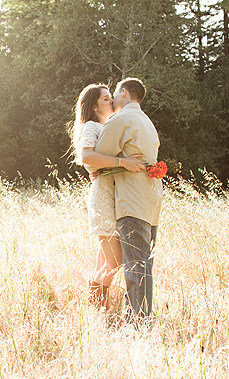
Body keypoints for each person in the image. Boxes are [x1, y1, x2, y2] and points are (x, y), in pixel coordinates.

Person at [69, 83, 145, 309]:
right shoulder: (91, 127)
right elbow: (86, 157)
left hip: (111, 194)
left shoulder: (106, 126)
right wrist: (123, 162)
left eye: (111, 97)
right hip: (103, 196)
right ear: (93, 106)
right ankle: (96, 307)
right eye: (105, 99)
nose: (111, 102)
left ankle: (97, 310)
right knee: (115, 261)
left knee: (105, 260)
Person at [94, 78, 163, 323]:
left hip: (132, 200)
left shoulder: (121, 120)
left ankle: (138, 322)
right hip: (151, 199)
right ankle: (139, 316)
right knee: (144, 263)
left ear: (124, 93)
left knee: (136, 265)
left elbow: (96, 157)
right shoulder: (148, 123)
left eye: (114, 94)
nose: (112, 99)